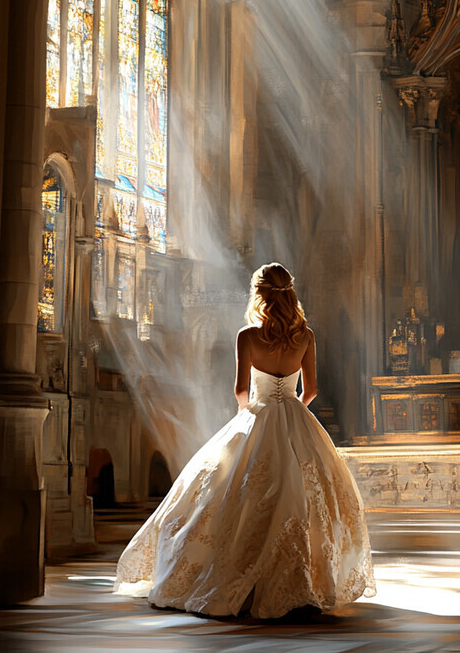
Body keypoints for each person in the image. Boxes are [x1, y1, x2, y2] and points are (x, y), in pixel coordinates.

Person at [114, 262, 376, 618]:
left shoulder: (248, 335)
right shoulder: (306, 336)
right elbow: (311, 389)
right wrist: (293, 413)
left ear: (260, 293)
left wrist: (251, 418)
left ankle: (241, 580)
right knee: (306, 496)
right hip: (297, 417)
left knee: (232, 494)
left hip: (257, 413)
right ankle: (304, 583)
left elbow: (240, 390)